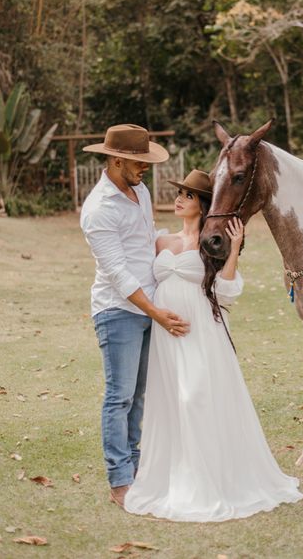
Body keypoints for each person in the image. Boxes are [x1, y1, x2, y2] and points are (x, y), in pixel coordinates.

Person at [124, 169, 303, 521]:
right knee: (172, 401)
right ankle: (174, 475)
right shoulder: (160, 241)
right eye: (180, 194)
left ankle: (210, 480)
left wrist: (233, 249)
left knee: (197, 397)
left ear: (203, 205)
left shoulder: (210, 243)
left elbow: (227, 293)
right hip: (165, 332)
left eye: (188, 196)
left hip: (201, 329)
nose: (179, 200)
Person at [80, 124, 190, 508]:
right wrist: (157, 312)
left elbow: (146, 242)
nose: (145, 169)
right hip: (118, 310)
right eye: (138, 162)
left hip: (148, 306)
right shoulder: (99, 209)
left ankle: (137, 468)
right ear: (116, 160)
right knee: (119, 397)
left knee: (139, 397)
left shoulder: (139, 191)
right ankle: (119, 481)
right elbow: (119, 274)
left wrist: (187, 241)